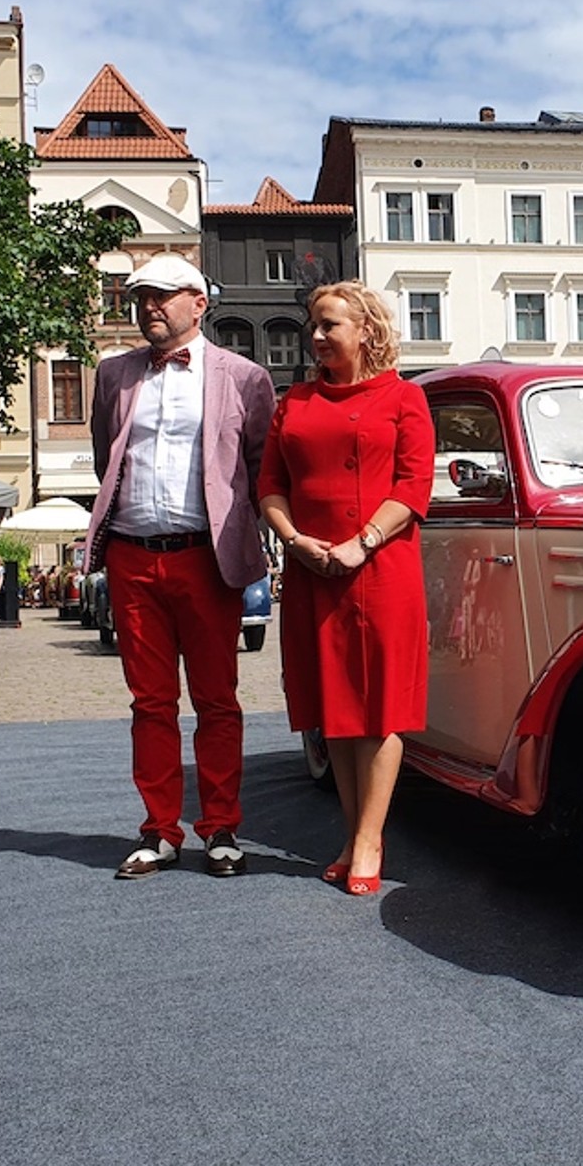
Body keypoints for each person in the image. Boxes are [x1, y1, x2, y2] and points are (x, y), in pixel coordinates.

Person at [87, 253, 277, 880]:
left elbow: (257, 470)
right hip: (134, 557)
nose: (149, 307)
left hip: (207, 557)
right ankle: (159, 830)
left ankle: (220, 826)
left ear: (199, 303)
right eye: (141, 297)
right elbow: (104, 462)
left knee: (217, 699)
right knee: (150, 702)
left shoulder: (246, 378)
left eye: (163, 296)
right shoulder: (112, 375)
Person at [258, 280, 435, 896]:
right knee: (336, 707)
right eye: (314, 324)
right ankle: (352, 832)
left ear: (366, 330)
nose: (315, 335)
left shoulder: (404, 399)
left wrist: (363, 541)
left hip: (381, 566)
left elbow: (414, 488)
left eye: (329, 324)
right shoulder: (295, 402)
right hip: (313, 568)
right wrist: (294, 540)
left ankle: (368, 839)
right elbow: (270, 486)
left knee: (380, 705)